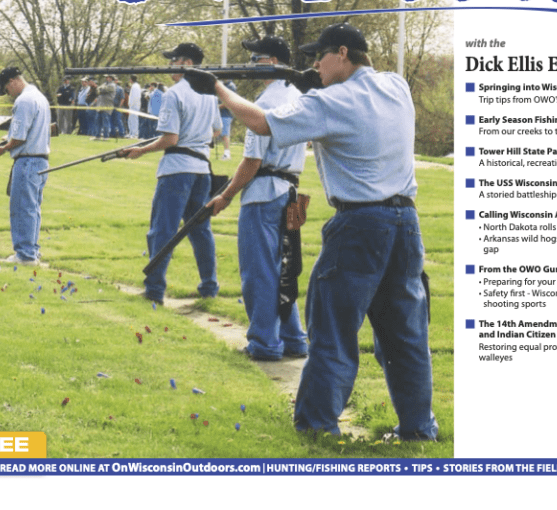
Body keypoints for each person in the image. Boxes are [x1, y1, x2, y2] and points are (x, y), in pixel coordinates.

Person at [185, 23, 438, 441]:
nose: (315, 65)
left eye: (319, 56)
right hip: (405, 225)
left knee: (333, 330)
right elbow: (348, 95)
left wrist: (218, 90)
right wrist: (307, 82)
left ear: (343, 52)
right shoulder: (396, 86)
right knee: (406, 335)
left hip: (359, 225)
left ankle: (317, 426)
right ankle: (418, 429)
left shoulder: (331, 101)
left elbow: (263, 124)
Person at [206, 36, 308, 361]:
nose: (251, 66)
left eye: (257, 59)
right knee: (283, 269)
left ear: (274, 61)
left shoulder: (263, 103)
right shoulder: (297, 95)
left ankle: (264, 343)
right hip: (288, 191)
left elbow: (252, 161)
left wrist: (225, 195)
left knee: (259, 272)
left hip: (262, 194)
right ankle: (293, 338)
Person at [124, 42, 222, 304]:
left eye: (174, 60)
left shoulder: (174, 94)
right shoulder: (210, 94)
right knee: (201, 231)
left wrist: (141, 150)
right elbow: (216, 130)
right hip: (202, 168)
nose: (170, 66)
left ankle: (155, 290)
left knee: (162, 230)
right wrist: (196, 138)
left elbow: (170, 139)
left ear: (187, 63)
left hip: (177, 169)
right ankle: (209, 286)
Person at [0, 67, 51, 266]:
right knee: (33, 208)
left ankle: (25, 255)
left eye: (6, 88)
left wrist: (4, 148)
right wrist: (8, 138)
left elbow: (19, 137)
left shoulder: (23, 101)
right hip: (41, 160)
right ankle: (32, 251)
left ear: (12, 81)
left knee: (22, 208)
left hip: (27, 161)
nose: (8, 93)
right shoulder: (40, 97)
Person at [218, 80, 237, 160]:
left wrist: (216, 107)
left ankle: (227, 154)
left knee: (225, 134)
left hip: (226, 114)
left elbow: (229, 102)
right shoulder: (221, 83)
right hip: (219, 113)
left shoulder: (231, 86)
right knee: (221, 134)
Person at [94, 74, 115, 139]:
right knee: (98, 122)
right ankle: (97, 136)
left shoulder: (112, 85)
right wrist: (100, 89)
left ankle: (106, 136)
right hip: (100, 106)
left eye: (108, 77)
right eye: (106, 77)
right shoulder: (104, 84)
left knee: (105, 123)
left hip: (106, 107)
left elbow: (103, 90)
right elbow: (98, 89)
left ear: (111, 78)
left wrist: (100, 89)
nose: (106, 78)